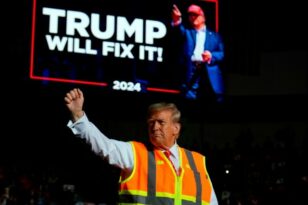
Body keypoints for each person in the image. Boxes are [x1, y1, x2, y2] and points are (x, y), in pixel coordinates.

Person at [64, 88, 219, 204]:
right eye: (151, 123)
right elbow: (105, 146)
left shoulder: (198, 162)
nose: (154, 127)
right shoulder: (135, 153)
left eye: (161, 122)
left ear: (176, 128)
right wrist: (79, 116)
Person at [171, 3, 225, 103]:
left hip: (208, 73)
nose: (192, 17)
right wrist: (177, 21)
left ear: (203, 16)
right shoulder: (187, 32)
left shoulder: (214, 35)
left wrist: (211, 56)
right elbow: (178, 31)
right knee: (189, 101)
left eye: (195, 15)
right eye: (190, 15)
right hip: (191, 71)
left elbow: (222, 54)